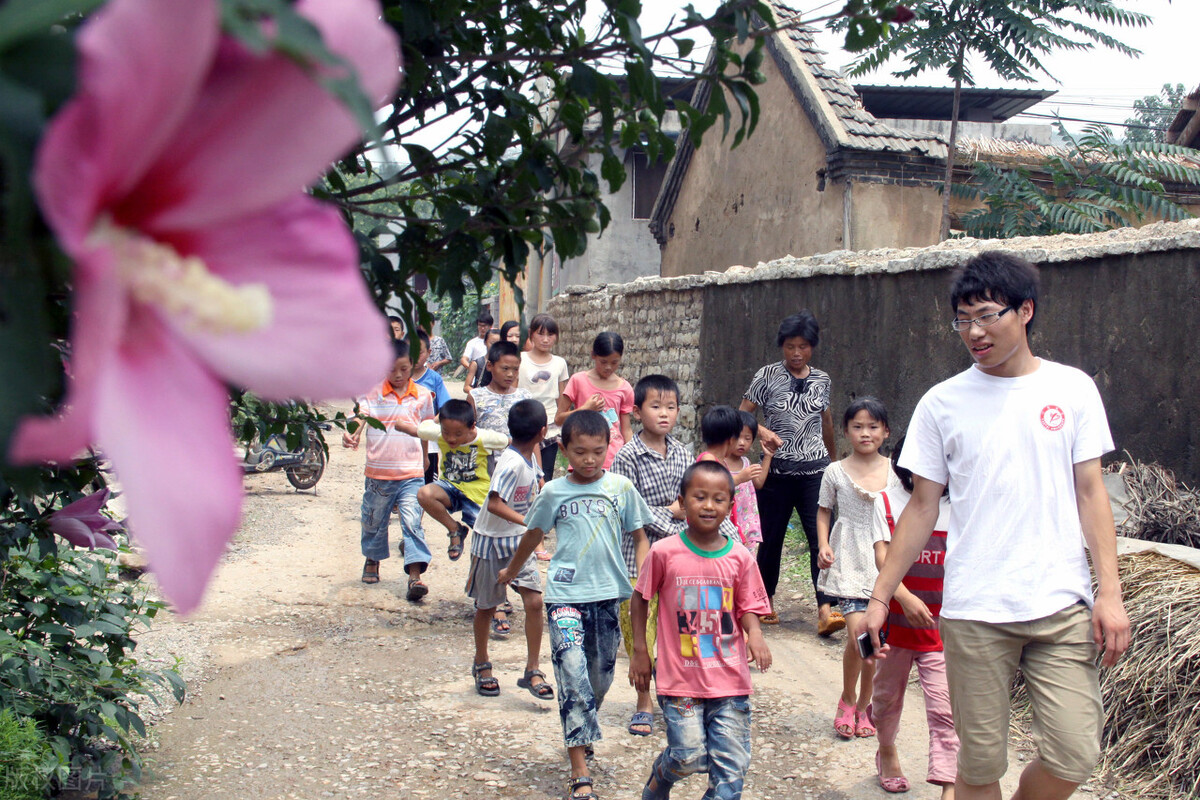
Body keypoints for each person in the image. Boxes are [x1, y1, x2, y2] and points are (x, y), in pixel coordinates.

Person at [863, 252, 1130, 800]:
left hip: (1060, 604)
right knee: (979, 766)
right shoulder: (943, 403)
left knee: (1075, 752)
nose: (974, 332)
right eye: (963, 320)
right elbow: (921, 508)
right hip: (975, 611)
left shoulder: (1072, 389)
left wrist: (1111, 592)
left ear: (1025, 310)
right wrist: (881, 597)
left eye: (986, 316)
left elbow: (1091, 493)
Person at [499, 410, 652, 800]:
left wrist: (647, 577)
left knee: (599, 679)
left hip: (608, 596)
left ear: (607, 451)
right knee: (571, 673)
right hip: (565, 597)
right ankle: (579, 772)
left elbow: (639, 535)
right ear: (564, 449)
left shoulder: (621, 488)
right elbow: (533, 534)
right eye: (580, 452)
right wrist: (511, 570)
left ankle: (583, 728)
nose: (588, 460)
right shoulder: (553, 492)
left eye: (597, 452)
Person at [631, 460, 773, 800]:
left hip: (730, 679)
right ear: (682, 501)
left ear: (730, 504)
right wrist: (640, 652)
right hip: (679, 680)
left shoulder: (740, 557)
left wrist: (755, 633)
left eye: (718, 499)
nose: (709, 506)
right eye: (699, 497)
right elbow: (640, 599)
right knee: (688, 756)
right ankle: (660, 779)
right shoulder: (664, 552)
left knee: (730, 770)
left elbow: (747, 606)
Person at [612, 375, 738, 738]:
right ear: (636, 412)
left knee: (681, 626)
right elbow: (627, 508)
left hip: (682, 559)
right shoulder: (627, 456)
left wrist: (730, 543)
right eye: (655, 407)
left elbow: (699, 506)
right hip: (639, 554)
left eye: (670, 407)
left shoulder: (684, 453)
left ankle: (684, 694)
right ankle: (642, 700)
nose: (664, 414)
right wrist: (671, 513)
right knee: (640, 627)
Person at [871, 434, 957, 798]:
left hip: (941, 629)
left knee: (945, 708)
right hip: (895, 627)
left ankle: (949, 785)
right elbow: (882, 557)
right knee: (886, 697)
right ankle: (887, 750)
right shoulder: (887, 501)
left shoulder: (961, 506)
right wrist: (903, 598)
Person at [740, 310, 838, 629]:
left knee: (820, 538)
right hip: (777, 472)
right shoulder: (766, 376)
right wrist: (762, 432)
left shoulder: (822, 379)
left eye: (803, 347)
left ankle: (826, 608)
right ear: (782, 346)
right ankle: (764, 601)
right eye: (790, 346)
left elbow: (826, 421)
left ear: (813, 347)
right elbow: (742, 415)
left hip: (815, 473)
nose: (797, 354)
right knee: (769, 539)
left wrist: (834, 463)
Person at [816, 397, 898, 740]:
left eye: (873, 427)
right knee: (859, 636)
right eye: (858, 427)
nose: (866, 433)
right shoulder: (834, 471)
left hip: (887, 561)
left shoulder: (897, 471)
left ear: (886, 432)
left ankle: (864, 704)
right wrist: (823, 544)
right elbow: (823, 511)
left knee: (871, 643)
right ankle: (848, 699)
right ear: (846, 431)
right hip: (849, 557)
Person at [465, 399, 554, 701]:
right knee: (487, 606)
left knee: (533, 602)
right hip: (491, 540)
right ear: (543, 431)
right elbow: (494, 502)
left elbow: (539, 489)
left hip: (518, 542)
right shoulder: (512, 461)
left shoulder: (529, 459)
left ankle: (532, 668)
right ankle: (481, 662)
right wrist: (528, 521)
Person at [342, 338, 436, 598]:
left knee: (412, 522)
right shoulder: (372, 392)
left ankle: (415, 577)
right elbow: (360, 416)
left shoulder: (423, 396)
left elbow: (426, 429)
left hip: (411, 472)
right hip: (378, 474)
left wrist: (426, 456)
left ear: (413, 366)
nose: (397, 375)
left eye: (404, 369)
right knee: (373, 520)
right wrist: (354, 434)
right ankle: (372, 559)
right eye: (391, 369)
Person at [468, 338, 533, 634]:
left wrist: (540, 472)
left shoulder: (523, 396)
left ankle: (504, 595)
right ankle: (492, 602)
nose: (510, 374)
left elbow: (532, 439)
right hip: (486, 475)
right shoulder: (477, 397)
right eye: (505, 368)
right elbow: (467, 437)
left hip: (518, 473)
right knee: (491, 532)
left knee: (512, 533)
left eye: (515, 369)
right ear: (490, 366)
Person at [416, 399, 508, 565]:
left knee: (488, 538)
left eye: (458, 434)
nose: (451, 438)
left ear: (472, 426)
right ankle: (455, 530)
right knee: (424, 494)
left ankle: (503, 568)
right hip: (449, 488)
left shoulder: (485, 438)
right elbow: (422, 428)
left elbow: (508, 441)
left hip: (477, 494)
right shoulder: (439, 434)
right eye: (446, 432)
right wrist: (438, 420)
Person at [557, 331, 633, 470]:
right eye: (603, 362)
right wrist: (585, 409)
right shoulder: (578, 381)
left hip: (614, 460)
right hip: (583, 456)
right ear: (593, 355)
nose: (608, 367)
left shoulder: (625, 388)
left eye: (614, 362)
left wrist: (633, 455)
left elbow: (626, 429)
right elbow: (559, 419)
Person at [519, 313, 570, 479]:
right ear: (531, 334)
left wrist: (561, 420)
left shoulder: (559, 363)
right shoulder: (520, 360)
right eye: (541, 334)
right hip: (523, 421)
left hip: (549, 425)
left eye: (550, 334)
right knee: (523, 469)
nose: (545, 339)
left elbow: (563, 396)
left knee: (545, 472)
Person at [697, 405, 748, 532]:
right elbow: (714, 488)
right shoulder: (708, 459)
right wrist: (739, 478)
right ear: (731, 440)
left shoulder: (722, 463)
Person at [411, 330, 451, 484]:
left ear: (428, 353)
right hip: (403, 441)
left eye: (419, 352)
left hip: (429, 443)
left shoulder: (434, 379)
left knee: (426, 487)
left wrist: (430, 423)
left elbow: (446, 407)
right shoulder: (398, 379)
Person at [731, 410, 771, 551]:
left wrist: (768, 457)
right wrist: (740, 477)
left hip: (747, 521)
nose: (742, 443)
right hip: (729, 522)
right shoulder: (720, 463)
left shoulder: (746, 462)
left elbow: (758, 483)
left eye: (747, 439)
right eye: (737, 437)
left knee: (748, 560)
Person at [463, 328, 500, 394]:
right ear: (485, 342)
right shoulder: (477, 363)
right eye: (492, 343)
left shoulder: (507, 363)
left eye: (498, 343)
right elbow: (466, 387)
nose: (495, 346)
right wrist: (480, 394)